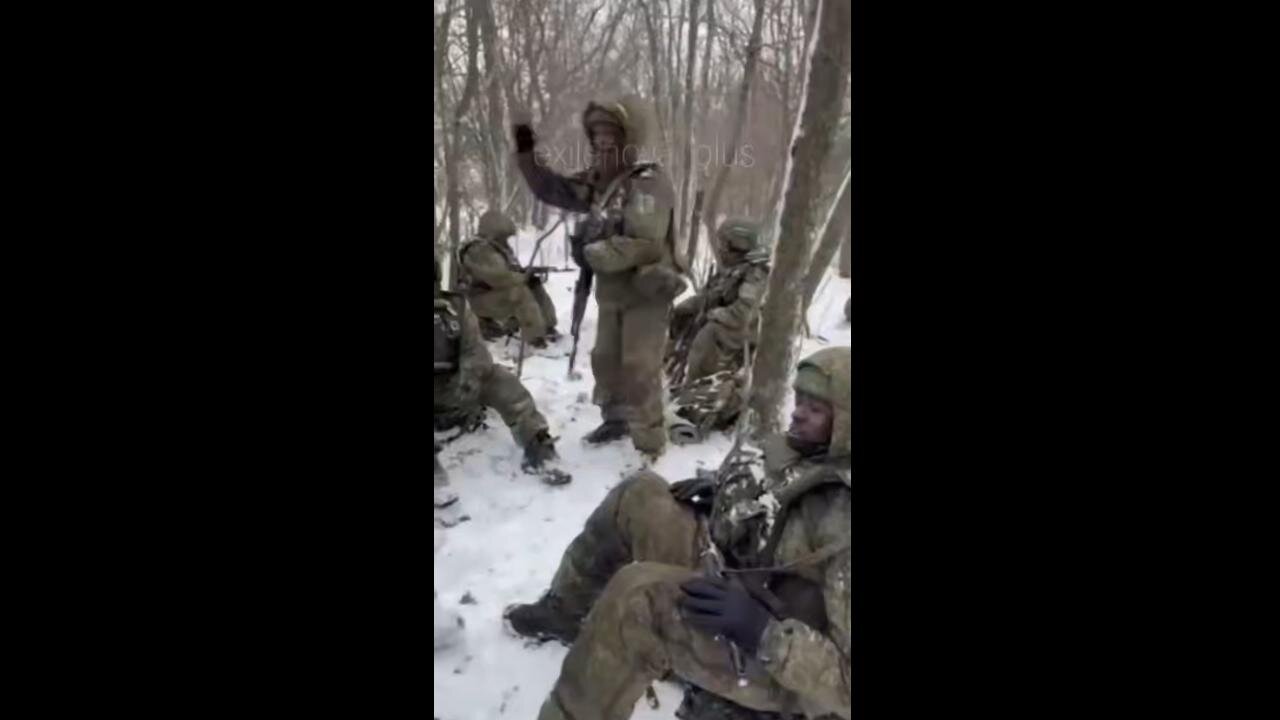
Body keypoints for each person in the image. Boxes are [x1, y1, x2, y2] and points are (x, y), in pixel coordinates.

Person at [504, 347, 852, 720]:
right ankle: (567, 613)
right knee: (641, 494)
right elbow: (779, 518)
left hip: (780, 666)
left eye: (816, 409)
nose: (798, 412)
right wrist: (725, 497)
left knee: (639, 596)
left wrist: (763, 632)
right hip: (734, 582)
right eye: (800, 399)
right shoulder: (810, 451)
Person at [513, 94, 684, 460]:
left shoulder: (649, 181)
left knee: (639, 366)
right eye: (597, 134)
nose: (603, 141)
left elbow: (646, 242)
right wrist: (526, 149)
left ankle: (649, 441)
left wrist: (592, 250)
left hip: (647, 290)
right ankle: (617, 419)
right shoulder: (597, 184)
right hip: (611, 289)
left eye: (611, 133)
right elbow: (551, 189)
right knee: (606, 359)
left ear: (629, 138)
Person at [434, 252, 568, 485]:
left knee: (502, 382)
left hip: (457, 383)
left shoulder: (456, 307)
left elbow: (475, 350)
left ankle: (536, 441)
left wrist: (468, 378)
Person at [667, 218, 770, 386]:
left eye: (725, 245)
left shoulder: (756, 274)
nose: (721, 250)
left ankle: (694, 385)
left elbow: (743, 314)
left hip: (737, 332)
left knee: (707, 334)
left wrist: (713, 314)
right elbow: (712, 293)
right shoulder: (733, 267)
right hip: (720, 319)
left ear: (739, 247)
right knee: (682, 311)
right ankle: (670, 360)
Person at [458, 210, 559, 347]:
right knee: (519, 293)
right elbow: (499, 278)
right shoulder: (479, 249)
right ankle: (535, 339)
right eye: (503, 236)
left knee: (533, 285)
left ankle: (548, 327)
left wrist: (527, 276)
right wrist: (523, 277)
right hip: (475, 300)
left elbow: (509, 272)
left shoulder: (496, 247)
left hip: (492, 296)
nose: (505, 240)